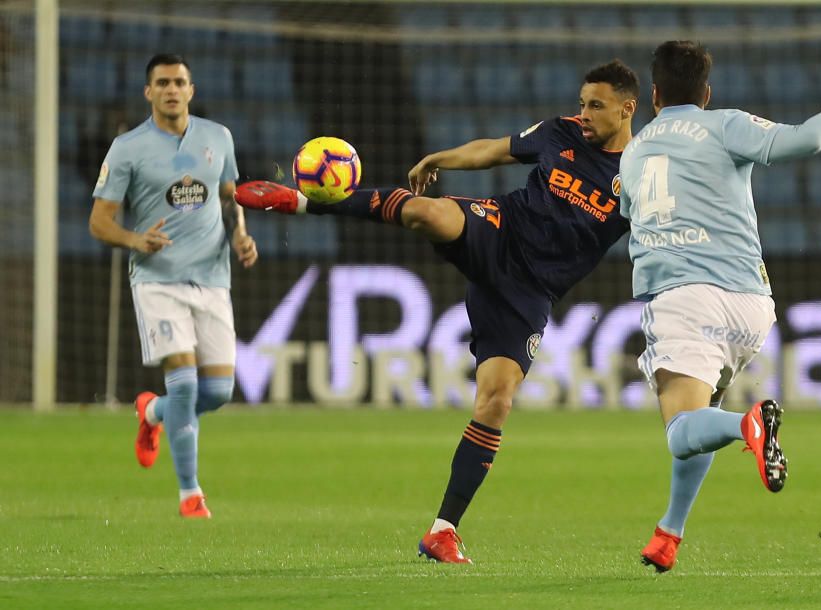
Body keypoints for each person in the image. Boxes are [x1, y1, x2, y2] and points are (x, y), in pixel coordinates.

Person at [234, 60, 639, 562]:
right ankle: (303, 203)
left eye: (595, 106)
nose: (584, 114)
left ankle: (442, 531)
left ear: (628, 108)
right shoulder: (561, 133)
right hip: (500, 229)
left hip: (530, 291)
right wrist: (440, 158)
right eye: (582, 103)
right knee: (426, 212)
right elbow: (494, 149)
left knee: (495, 402)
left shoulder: (639, 174)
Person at [618, 41, 821, 572]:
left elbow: (628, 213)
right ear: (706, 94)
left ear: (655, 95)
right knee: (701, 413)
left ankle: (749, 426)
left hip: (684, 297)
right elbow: (807, 140)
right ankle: (670, 532)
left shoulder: (636, 149)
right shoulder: (726, 123)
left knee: (681, 431)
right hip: (752, 306)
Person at [89, 54, 258, 519]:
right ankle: (190, 494)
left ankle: (152, 414)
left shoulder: (217, 138)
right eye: (161, 82)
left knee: (219, 393)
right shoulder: (127, 147)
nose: (170, 89)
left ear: (191, 90)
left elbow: (230, 200)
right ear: (148, 92)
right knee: (184, 386)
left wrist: (240, 235)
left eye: (178, 82)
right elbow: (99, 222)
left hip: (212, 278)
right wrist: (134, 239)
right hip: (157, 280)